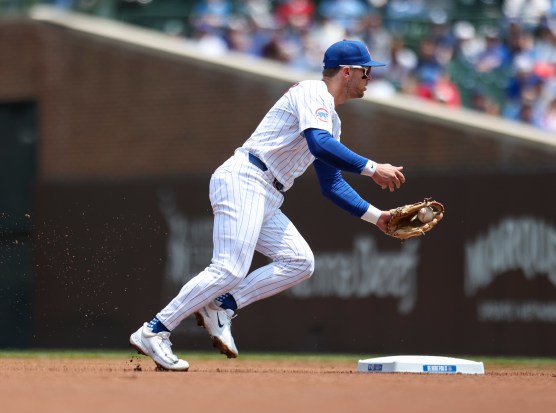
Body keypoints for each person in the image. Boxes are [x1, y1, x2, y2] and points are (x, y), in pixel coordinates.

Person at [129, 39, 406, 371]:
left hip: (267, 192)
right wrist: (372, 168)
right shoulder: (311, 93)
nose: (369, 77)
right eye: (365, 71)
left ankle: (223, 305)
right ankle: (154, 330)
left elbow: (331, 184)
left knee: (300, 261)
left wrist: (377, 218)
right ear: (347, 72)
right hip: (246, 177)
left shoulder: (331, 121)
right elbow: (319, 145)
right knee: (229, 268)